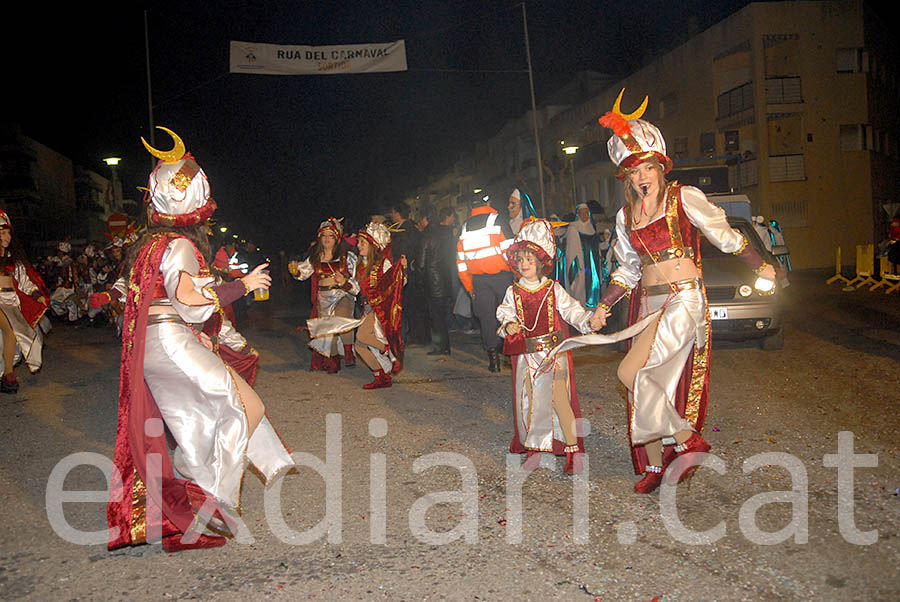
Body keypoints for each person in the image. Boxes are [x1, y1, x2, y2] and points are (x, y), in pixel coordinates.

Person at [107, 127, 294, 552]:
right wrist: (241, 286)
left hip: (158, 347)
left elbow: (143, 300)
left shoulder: (148, 244)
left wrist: (197, 335)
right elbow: (189, 298)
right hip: (171, 343)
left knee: (193, 429)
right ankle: (207, 498)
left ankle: (188, 524)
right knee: (244, 407)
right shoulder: (177, 245)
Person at [592, 91, 776, 493]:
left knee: (644, 377)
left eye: (646, 168)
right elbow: (626, 270)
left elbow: (725, 236)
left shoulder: (683, 198)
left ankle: (685, 441)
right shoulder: (627, 217)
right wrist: (603, 307)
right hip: (649, 305)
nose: (641, 177)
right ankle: (660, 462)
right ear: (626, 177)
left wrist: (762, 266)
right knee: (634, 376)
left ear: (659, 167)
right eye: (633, 171)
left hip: (684, 299)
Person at [496, 218, 599, 475]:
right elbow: (504, 311)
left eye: (530, 260)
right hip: (527, 355)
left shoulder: (554, 289)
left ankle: (572, 449)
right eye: (520, 260)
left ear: (541, 262)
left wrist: (588, 320)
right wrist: (508, 323)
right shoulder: (514, 291)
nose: (524, 265)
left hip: (552, 355)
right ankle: (535, 446)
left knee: (559, 399)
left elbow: (573, 311)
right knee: (531, 401)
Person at [308, 222, 405, 389]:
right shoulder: (361, 266)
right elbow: (355, 290)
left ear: (373, 245)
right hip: (367, 308)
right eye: (359, 242)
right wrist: (344, 282)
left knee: (361, 336)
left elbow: (399, 282)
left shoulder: (383, 263)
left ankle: (388, 350)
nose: (358, 246)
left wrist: (401, 270)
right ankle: (381, 376)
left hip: (379, 310)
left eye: (362, 243)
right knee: (359, 347)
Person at [289, 217, 358, 373]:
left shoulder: (346, 257)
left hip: (342, 295)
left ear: (336, 238)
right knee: (328, 331)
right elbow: (303, 274)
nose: (327, 239)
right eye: (324, 235)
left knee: (341, 320)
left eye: (330, 235)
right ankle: (333, 361)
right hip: (324, 298)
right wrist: (295, 271)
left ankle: (348, 352)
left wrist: (344, 281)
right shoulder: (315, 257)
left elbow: (355, 278)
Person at [457, 194, 514, 372]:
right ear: (488, 203)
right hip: (503, 277)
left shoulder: (464, 228)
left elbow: (461, 263)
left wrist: (469, 287)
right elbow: (511, 251)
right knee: (509, 315)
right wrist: (518, 274)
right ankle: (511, 355)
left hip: (479, 281)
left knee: (487, 318)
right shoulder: (498, 220)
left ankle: (493, 360)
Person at [0, 210, 50, 393]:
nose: (8, 236)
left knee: (27, 337)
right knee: (11, 330)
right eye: (3, 233)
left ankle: (6, 374)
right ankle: (9, 375)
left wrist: (37, 295)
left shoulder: (13, 260)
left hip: (12, 302)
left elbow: (25, 283)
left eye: (9, 233)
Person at [419, 206, 457, 355]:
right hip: (445, 279)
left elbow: (421, 262)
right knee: (442, 314)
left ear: (425, 219)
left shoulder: (427, 235)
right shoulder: (446, 233)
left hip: (432, 282)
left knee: (436, 317)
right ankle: (445, 345)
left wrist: (420, 277)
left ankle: (441, 346)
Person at [563, 203, 602, 308]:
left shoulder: (592, 227)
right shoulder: (573, 228)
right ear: (578, 214)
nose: (584, 215)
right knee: (581, 291)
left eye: (586, 213)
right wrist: (577, 266)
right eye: (582, 213)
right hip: (581, 266)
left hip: (593, 265)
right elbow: (572, 248)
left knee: (594, 287)